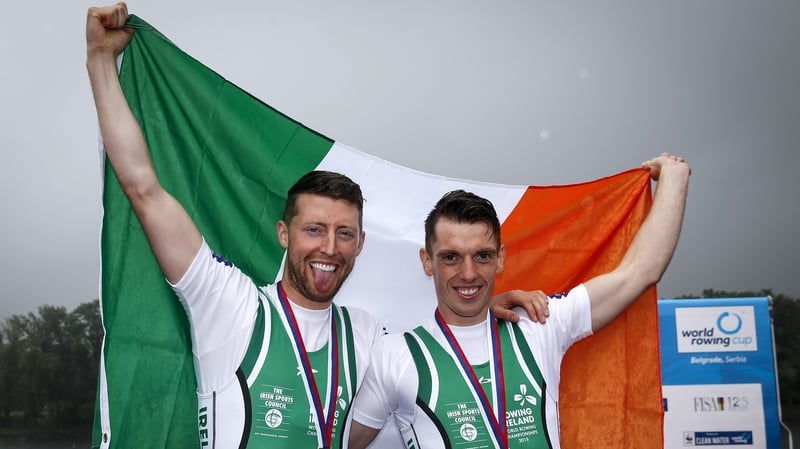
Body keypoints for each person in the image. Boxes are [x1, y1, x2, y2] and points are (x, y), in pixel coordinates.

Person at [86, 3, 550, 448]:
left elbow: (436, 356)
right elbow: (144, 188)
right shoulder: (228, 303)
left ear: (361, 243)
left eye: (344, 233)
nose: (330, 247)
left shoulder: (366, 335)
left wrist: (484, 310)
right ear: (283, 234)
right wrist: (101, 62)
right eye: (314, 230)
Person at [348, 153, 691, 449]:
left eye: (482, 256)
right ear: (427, 261)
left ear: (500, 259)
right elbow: (334, 441)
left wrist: (674, 178)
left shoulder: (540, 324)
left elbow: (640, 272)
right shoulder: (394, 355)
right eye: (451, 257)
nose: (468, 273)